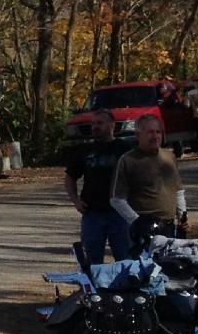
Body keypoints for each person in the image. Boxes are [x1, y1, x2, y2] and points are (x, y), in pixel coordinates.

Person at [110, 113, 185, 253]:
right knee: (144, 271)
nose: (155, 136)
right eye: (150, 132)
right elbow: (116, 199)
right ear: (138, 135)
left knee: (169, 268)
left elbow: (178, 190)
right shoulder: (128, 160)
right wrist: (136, 221)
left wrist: (183, 216)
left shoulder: (169, 157)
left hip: (169, 226)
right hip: (143, 229)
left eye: (158, 132)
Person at [65, 109, 133, 263]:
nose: (95, 127)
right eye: (93, 124)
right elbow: (70, 178)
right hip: (92, 213)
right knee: (93, 261)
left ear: (112, 125)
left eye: (100, 123)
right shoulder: (85, 151)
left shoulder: (125, 149)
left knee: (125, 260)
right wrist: (75, 200)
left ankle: (124, 287)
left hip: (120, 214)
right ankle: (96, 286)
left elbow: (137, 178)